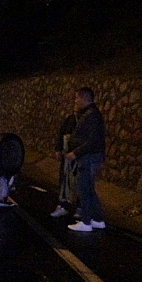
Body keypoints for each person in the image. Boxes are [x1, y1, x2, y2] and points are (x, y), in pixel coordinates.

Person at [66, 87, 107, 232]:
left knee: (83, 188)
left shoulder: (92, 116)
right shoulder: (89, 114)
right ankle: (98, 219)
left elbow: (93, 140)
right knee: (88, 188)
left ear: (84, 98)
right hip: (89, 156)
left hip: (89, 157)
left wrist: (75, 153)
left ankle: (86, 222)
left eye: (77, 98)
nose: (75, 101)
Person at [49, 111, 78, 217]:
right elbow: (62, 133)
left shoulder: (87, 119)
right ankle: (63, 205)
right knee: (64, 180)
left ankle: (78, 208)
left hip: (78, 156)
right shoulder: (70, 119)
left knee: (78, 182)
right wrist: (58, 148)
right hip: (68, 155)